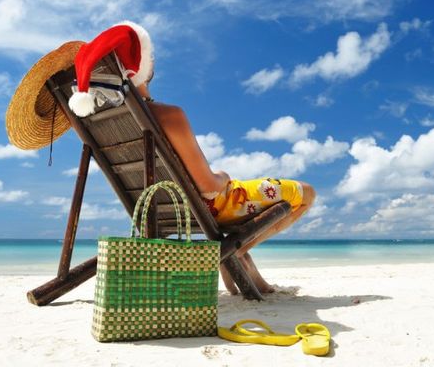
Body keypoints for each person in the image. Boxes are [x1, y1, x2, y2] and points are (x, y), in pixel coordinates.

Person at [134, 81, 316, 294]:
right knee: (307, 193)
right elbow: (208, 187)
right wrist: (222, 175)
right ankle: (235, 250)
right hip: (217, 202)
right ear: (144, 70)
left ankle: (238, 255)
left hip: (167, 207)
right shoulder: (167, 115)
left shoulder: (101, 121)